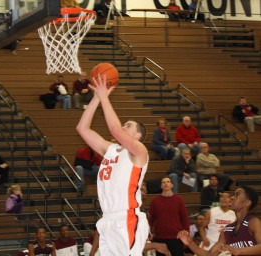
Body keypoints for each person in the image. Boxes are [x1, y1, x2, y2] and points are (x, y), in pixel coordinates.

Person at [76, 74, 149, 255]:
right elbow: (82, 129)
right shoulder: (110, 150)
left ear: (138, 136)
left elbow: (115, 130)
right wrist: (96, 98)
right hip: (107, 219)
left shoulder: (139, 152)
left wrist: (104, 97)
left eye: (129, 125)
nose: (124, 126)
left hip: (127, 218)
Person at [177, 186, 260, 256]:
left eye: (237, 195)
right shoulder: (227, 229)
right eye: (233, 194)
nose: (232, 197)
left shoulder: (252, 222)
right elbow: (209, 254)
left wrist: (238, 251)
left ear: (247, 203)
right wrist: (190, 242)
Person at [148, 177, 189, 256]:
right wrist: (149, 232)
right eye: (163, 182)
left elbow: (184, 217)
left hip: (176, 237)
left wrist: (186, 230)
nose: (166, 183)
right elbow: (150, 219)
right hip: (160, 238)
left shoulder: (179, 200)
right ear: (161, 186)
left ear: (172, 185)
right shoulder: (154, 201)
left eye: (168, 182)